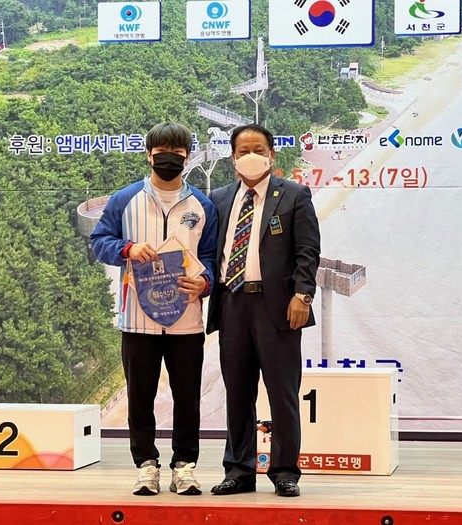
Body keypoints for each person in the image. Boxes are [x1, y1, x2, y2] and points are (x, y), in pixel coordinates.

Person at [91, 122, 218, 496]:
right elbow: (99, 241)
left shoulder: (202, 206)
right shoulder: (124, 200)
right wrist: (126, 249)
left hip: (186, 321)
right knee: (140, 398)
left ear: (188, 157)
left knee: (187, 398)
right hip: (137, 320)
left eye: (177, 153)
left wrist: (205, 282)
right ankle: (146, 465)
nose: (168, 159)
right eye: (161, 152)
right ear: (148, 155)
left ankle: (184, 467)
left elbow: (211, 257)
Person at [206, 123, 321, 497]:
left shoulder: (294, 195)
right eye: (243, 151)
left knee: (282, 393)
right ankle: (239, 470)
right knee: (238, 393)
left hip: (279, 309)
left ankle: (285, 470)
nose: (251, 156)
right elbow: (210, 252)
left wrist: (303, 295)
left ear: (272, 155)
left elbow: (307, 251)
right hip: (232, 303)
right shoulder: (219, 198)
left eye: (258, 150)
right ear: (233, 158)